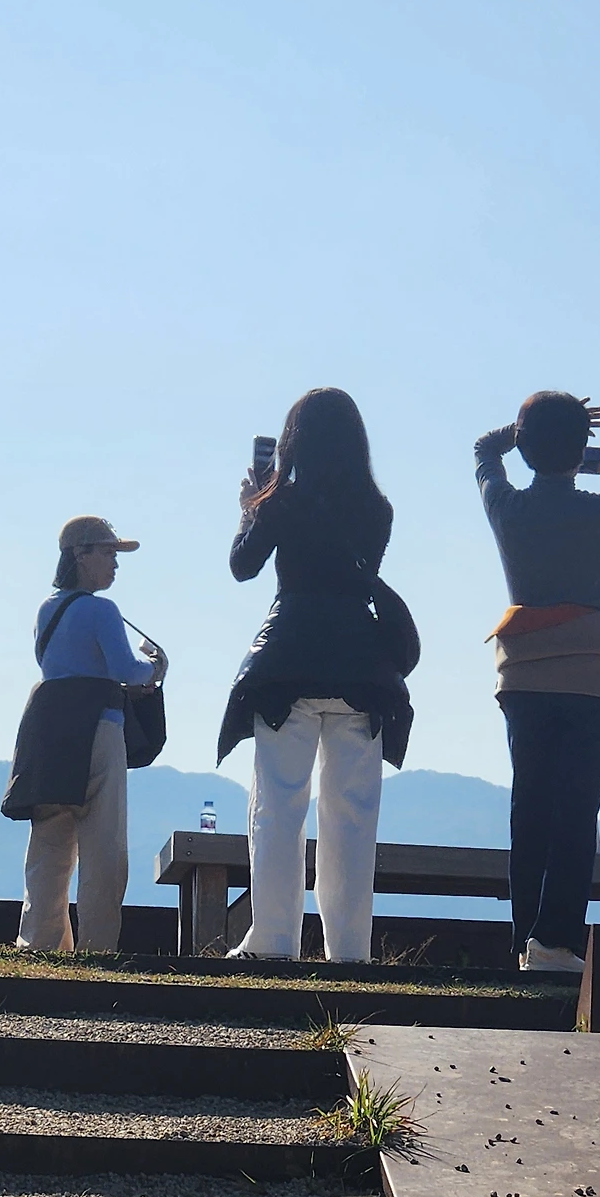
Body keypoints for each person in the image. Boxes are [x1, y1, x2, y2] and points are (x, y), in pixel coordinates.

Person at [475, 393, 600, 976]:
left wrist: (530, 428)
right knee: (576, 812)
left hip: (524, 678)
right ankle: (557, 944)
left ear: (526, 447)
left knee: (530, 809)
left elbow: (485, 449)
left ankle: (526, 943)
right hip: (589, 678)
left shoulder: (506, 506)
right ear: (579, 451)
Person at [217, 388, 415, 963]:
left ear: (292, 441)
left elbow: (242, 567)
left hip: (288, 665)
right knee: (353, 813)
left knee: (279, 805)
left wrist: (251, 508)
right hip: (361, 669)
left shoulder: (281, 501)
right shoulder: (378, 510)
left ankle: (273, 940)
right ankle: (350, 950)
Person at [1, 516, 165, 953]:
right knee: (103, 843)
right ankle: (97, 947)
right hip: (98, 727)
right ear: (81, 554)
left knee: (49, 842)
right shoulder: (102, 610)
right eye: (108, 553)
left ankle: (39, 943)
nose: (115, 564)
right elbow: (127, 670)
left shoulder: (46, 609)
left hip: (48, 729)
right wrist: (156, 666)